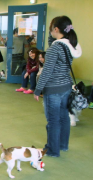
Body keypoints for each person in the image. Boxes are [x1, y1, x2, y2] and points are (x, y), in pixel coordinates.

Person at [34, 16, 82, 157]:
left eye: (51, 28)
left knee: (53, 121)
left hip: (53, 89)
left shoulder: (55, 49)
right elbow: (54, 41)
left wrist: (38, 89)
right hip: (66, 86)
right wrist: (52, 32)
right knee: (63, 118)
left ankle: (53, 150)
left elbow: (47, 71)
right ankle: (62, 145)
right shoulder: (71, 44)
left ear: (56, 29)